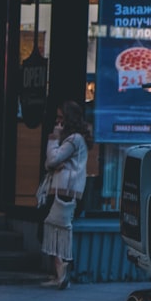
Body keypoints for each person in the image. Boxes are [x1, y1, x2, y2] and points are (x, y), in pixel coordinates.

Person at [41, 99, 93, 290]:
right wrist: (52, 163)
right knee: (54, 229)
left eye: (61, 118)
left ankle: (62, 273)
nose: (58, 123)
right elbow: (50, 163)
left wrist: (53, 138)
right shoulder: (74, 139)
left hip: (65, 191)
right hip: (65, 190)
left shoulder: (73, 140)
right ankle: (59, 273)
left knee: (58, 230)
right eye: (57, 119)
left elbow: (53, 159)